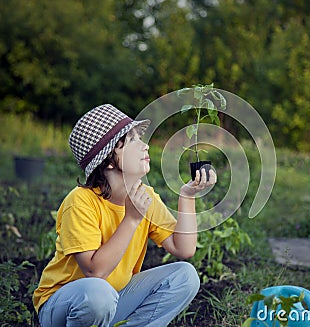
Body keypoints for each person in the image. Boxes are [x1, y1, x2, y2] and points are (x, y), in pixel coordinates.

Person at [33, 104, 217, 327]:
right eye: (132, 141)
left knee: (184, 276)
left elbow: (184, 248)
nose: (145, 145)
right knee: (99, 293)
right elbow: (95, 271)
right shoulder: (81, 201)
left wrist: (187, 196)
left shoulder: (144, 196)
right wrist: (131, 220)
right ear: (109, 160)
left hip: (112, 299)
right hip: (64, 306)